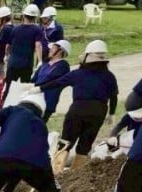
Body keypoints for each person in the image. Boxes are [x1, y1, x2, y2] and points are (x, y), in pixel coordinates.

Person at [31, 39, 118, 171]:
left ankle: (56, 171)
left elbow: (57, 83)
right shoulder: (109, 76)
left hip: (78, 109)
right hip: (98, 112)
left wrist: (39, 88)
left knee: (66, 141)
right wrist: (111, 113)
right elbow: (114, 96)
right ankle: (75, 173)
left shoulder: (77, 74)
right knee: (86, 143)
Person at [1, 4, 44, 104]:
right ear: (35, 17)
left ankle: (3, 106)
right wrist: (40, 60)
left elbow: (8, 45)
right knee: (25, 88)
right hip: (26, 64)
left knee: (9, 87)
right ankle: (21, 107)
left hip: (13, 63)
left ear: (24, 15)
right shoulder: (37, 30)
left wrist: (6, 55)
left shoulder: (15, 29)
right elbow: (38, 45)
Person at [30, 39, 71, 122]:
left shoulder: (63, 65)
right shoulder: (45, 64)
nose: (50, 50)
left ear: (60, 51)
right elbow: (34, 79)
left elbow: (51, 80)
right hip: (36, 98)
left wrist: (38, 87)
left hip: (48, 100)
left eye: (54, 48)